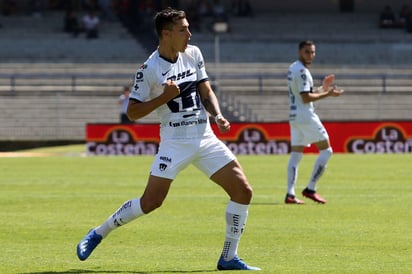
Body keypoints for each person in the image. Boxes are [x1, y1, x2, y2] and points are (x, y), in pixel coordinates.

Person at [76, 7, 260, 271]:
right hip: (175, 141)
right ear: (166, 34)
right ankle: (98, 233)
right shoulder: (148, 69)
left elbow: (205, 90)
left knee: (243, 191)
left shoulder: (194, 53)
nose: (189, 33)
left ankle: (229, 257)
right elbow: (132, 112)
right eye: (183, 29)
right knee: (151, 202)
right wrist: (164, 97)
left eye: (187, 27)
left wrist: (217, 115)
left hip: (205, 136)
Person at [284, 40, 344, 204]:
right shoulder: (302, 71)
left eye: (312, 52)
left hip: (295, 116)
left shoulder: (293, 67)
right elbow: (306, 98)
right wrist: (328, 94)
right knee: (327, 151)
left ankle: (290, 194)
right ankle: (311, 188)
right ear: (299, 52)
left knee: (296, 154)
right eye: (307, 52)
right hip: (305, 115)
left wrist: (322, 88)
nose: (310, 55)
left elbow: (304, 93)